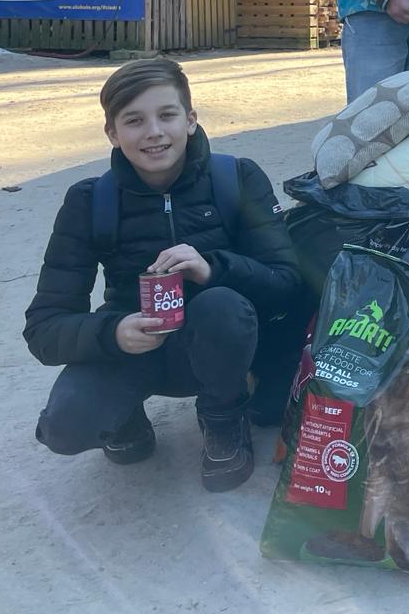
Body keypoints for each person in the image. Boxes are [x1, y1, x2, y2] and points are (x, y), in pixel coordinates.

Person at [23, 59, 302, 492]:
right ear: (113, 134)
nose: (153, 132)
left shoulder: (237, 178)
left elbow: (287, 285)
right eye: (134, 121)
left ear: (190, 121)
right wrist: (113, 332)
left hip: (223, 343)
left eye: (167, 115)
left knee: (221, 305)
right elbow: (44, 327)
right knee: (66, 426)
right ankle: (125, 418)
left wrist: (214, 268)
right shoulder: (88, 201)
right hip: (135, 348)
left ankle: (222, 416)